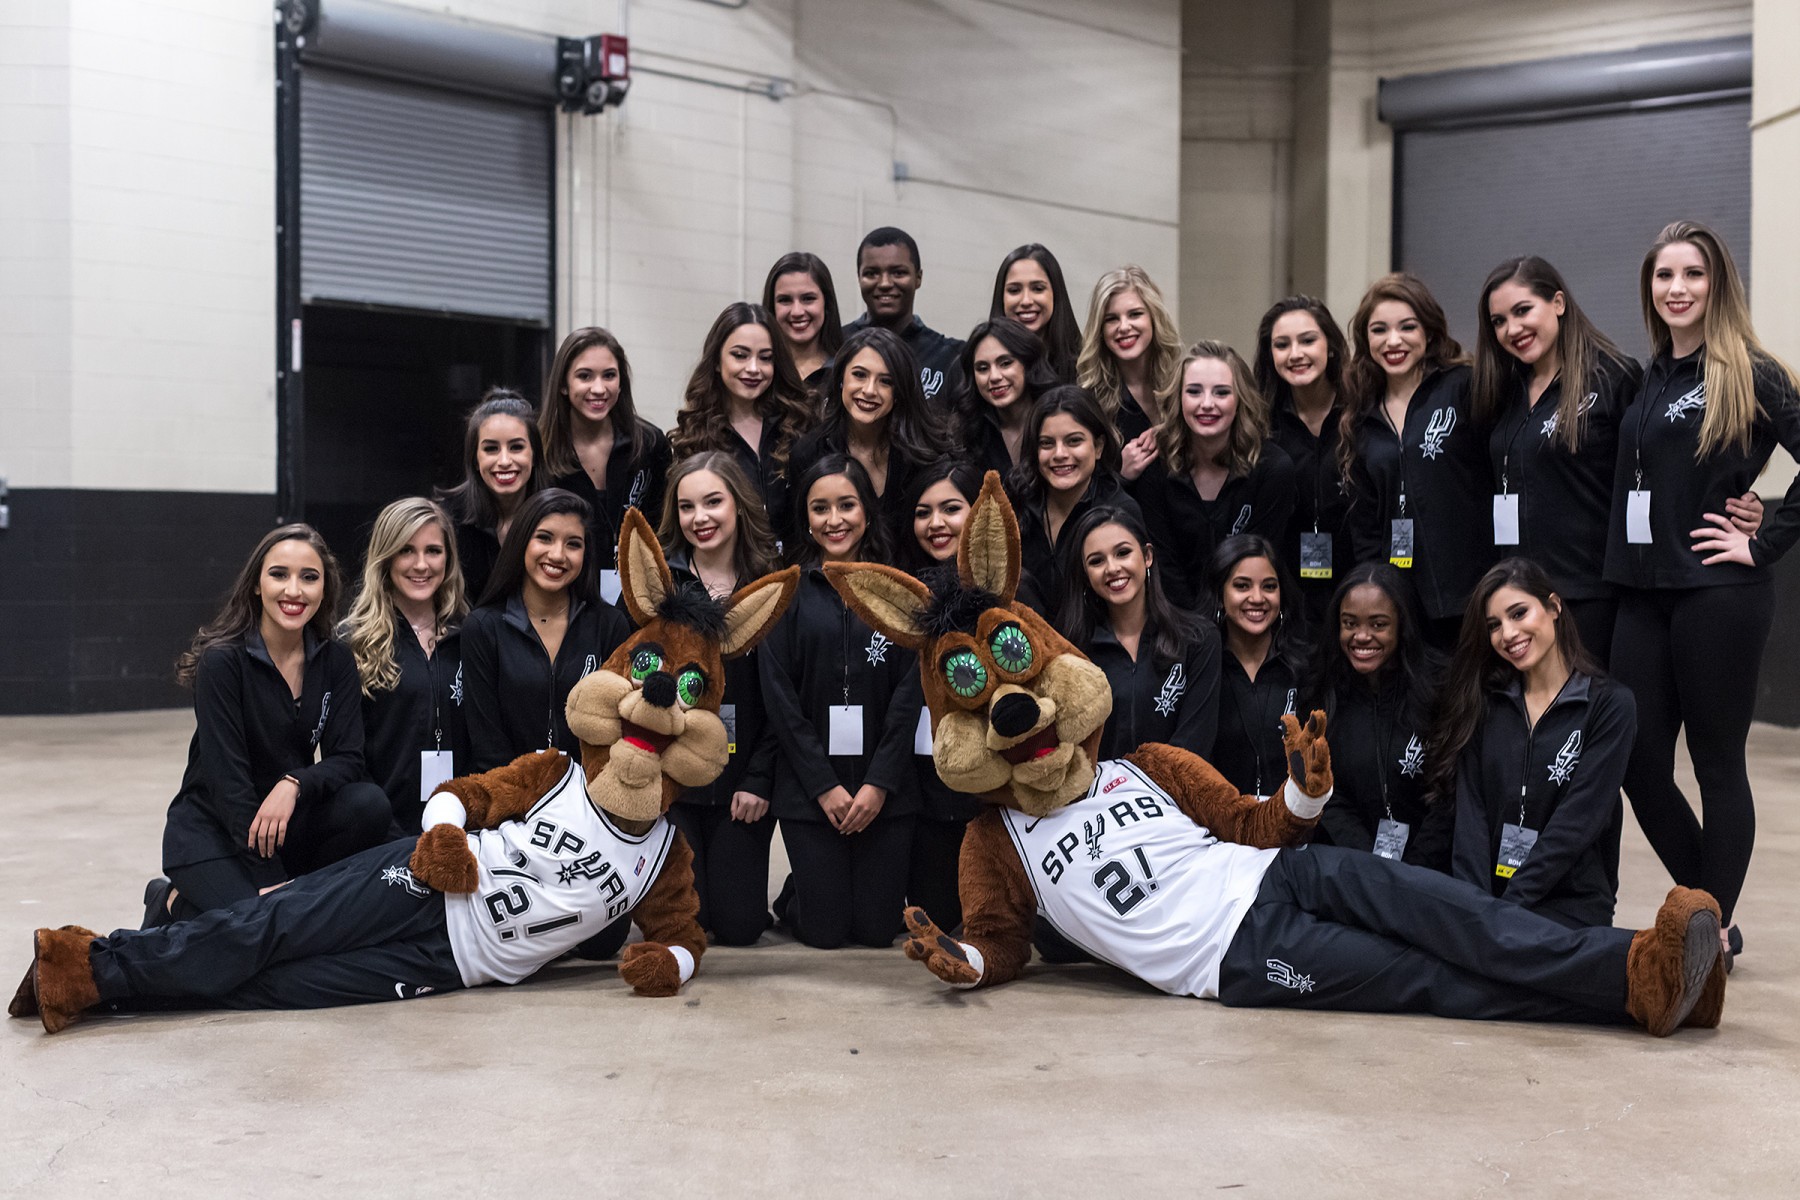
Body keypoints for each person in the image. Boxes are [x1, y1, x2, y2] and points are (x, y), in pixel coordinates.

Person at [1603, 220, 1800, 963]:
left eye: (1693, 274)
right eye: (1664, 275)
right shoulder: (1650, 375)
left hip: (1718, 593)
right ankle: (1709, 911)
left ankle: (1708, 931)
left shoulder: (1752, 372)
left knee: (1717, 764)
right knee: (1636, 760)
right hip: (1642, 593)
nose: (1677, 288)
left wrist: (1763, 539)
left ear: (1718, 285)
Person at [147, 525, 390, 926]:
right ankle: (169, 901)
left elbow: (348, 759)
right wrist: (270, 879)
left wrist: (294, 783)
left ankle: (275, 907)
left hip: (282, 825)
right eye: (279, 574)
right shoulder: (222, 662)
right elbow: (229, 785)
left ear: (324, 589)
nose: (294, 590)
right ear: (257, 585)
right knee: (267, 930)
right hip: (213, 832)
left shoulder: (335, 661)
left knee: (368, 804)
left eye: (309, 577)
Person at [761, 454, 919, 948]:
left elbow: (909, 696)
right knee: (825, 932)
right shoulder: (785, 593)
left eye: (847, 505)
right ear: (805, 517)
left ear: (867, 511)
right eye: (820, 508)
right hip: (811, 792)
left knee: (876, 930)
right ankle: (800, 892)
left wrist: (878, 784)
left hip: (886, 791)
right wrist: (824, 786)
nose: (834, 520)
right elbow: (781, 700)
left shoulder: (898, 590)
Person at [1425, 558, 1633, 930]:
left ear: (1553, 607)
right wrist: (1475, 910)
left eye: (1519, 613)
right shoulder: (1485, 703)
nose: (1508, 633)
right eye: (1494, 625)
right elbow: (1471, 820)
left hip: (1569, 907)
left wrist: (1503, 915)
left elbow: (1576, 826)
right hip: (1487, 905)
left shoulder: (1610, 706)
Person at [1473, 257, 1643, 664]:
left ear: (1558, 303)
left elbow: (1658, 463)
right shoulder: (1503, 390)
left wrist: (1737, 497)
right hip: (1521, 599)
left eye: (1523, 310)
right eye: (1499, 321)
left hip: (1593, 594)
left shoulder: (1613, 377)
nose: (1512, 329)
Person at [656, 453, 783, 945]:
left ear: (739, 505)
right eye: (686, 507)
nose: (699, 518)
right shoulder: (662, 588)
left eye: (713, 502)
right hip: (678, 781)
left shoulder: (768, 586)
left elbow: (785, 700)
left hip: (743, 784)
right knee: (691, 920)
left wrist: (758, 780)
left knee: (739, 927)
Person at [1341, 273, 1493, 647]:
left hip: (1476, 593)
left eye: (1407, 327)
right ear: (1365, 340)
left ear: (1429, 331)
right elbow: (1366, 527)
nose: (1393, 341)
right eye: (1379, 330)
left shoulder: (1463, 385)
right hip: (1404, 605)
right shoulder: (1359, 416)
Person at [461, 488, 632, 773]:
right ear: (521, 541)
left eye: (573, 544)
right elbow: (487, 744)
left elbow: (617, 730)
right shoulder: (483, 628)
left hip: (589, 792)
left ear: (586, 553)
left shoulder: (610, 625)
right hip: (508, 792)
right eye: (544, 538)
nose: (557, 554)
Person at [1132, 340, 1298, 607]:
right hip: (1174, 617)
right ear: (1178, 398)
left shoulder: (1273, 469)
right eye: (1194, 392)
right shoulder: (1155, 466)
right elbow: (1165, 567)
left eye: (1221, 393)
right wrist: (1193, 627)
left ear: (1240, 399)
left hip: (1249, 613)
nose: (1207, 404)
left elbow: (1259, 565)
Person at [340, 498, 469, 836]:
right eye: (406, 551)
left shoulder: (471, 636)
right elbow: (347, 758)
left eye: (433, 551)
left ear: (449, 558)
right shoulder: (353, 643)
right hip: (380, 831)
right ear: (386, 557)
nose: (421, 564)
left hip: (460, 827)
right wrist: (388, 835)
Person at [1059, 505, 1220, 762]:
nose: (1112, 568)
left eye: (1123, 553)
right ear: (1086, 575)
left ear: (1147, 556)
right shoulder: (1072, 653)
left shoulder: (1199, 639)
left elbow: (1195, 744)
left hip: (1178, 786)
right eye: (1096, 561)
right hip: (1100, 788)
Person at [1308, 562, 1444, 868]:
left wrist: (1413, 872)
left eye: (1378, 624)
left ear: (1402, 625)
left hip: (1433, 870)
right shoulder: (1324, 692)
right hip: (1356, 866)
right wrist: (1373, 868)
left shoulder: (1440, 689)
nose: (1361, 636)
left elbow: (1450, 797)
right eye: (1350, 623)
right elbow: (1328, 793)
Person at [538, 327, 673, 603]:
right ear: (563, 384)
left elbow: (667, 528)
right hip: (564, 599)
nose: (599, 388)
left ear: (621, 383)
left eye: (609, 375)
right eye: (585, 376)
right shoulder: (541, 450)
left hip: (640, 600)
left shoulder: (650, 443)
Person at [787, 325, 956, 536]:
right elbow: (801, 537)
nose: (869, 390)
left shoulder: (926, 453)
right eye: (859, 375)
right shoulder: (809, 453)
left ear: (899, 391)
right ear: (841, 379)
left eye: (886, 381)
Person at [671, 302, 813, 540]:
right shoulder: (694, 435)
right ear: (717, 361)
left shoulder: (798, 424)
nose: (754, 368)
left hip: (797, 561)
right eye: (740, 355)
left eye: (765, 358)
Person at [1257, 297, 1354, 630]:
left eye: (1308, 340)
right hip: (1286, 596)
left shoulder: (1362, 412)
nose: (1295, 354)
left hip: (1358, 587)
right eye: (1282, 345)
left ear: (1331, 346)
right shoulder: (1260, 423)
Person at [1010, 385, 1142, 617]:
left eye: (1073, 441)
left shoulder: (1119, 511)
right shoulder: (1016, 501)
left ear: (1098, 447)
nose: (1059, 454)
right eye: (1047, 443)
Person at [1206, 534, 1309, 799]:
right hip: (1220, 819)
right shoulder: (1203, 669)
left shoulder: (1305, 666)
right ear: (1220, 595)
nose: (1257, 597)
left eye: (1269, 586)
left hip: (1296, 818)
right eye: (1242, 586)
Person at [1076, 265, 1184, 481]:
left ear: (1154, 318)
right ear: (1100, 329)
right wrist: (1119, 473)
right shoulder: (1088, 400)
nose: (1124, 327)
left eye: (1135, 314)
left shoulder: (1183, 385)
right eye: (1111, 319)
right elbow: (1077, 486)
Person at [437, 389, 543, 605]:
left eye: (516, 447)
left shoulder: (560, 513)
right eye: (491, 449)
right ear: (475, 459)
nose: (504, 461)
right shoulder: (447, 519)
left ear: (534, 455)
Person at [840, 226, 964, 403]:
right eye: (871, 273)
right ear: (859, 278)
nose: (884, 283)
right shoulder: (836, 345)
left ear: (918, 278)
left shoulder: (950, 357)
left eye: (898, 273)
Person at [955, 317, 1059, 483]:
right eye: (983, 368)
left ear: (1027, 364)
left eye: (1005, 363)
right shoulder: (966, 433)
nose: (994, 377)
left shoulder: (1059, 417)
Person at [989, 243, 1082, 383]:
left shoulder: (1085, 366)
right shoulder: (982, 367)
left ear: (1056, 293)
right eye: (1014, 290)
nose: (1026, 301)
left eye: (1038, 289)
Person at [762, 251, 845, 394]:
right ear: (772, 307)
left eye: (808, 298)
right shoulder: (759, 371)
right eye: (785, 300)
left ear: (827, 303)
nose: (797, 312)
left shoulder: (847, 370)